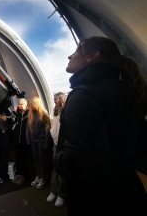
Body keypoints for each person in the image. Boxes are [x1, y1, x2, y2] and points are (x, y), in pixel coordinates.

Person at [54, 36, 147, 216]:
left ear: (91, 57)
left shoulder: (84, 94)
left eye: (75, 52)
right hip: (128, 191)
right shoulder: (125, 88)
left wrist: (58, 159)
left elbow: (76, 162)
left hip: (95, 198)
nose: (69, 57)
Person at [46, 92, 67, 207]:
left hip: (64, 143)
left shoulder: (66, 110)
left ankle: (61, 194)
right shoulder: (55, 111)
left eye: (56, 99)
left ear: (61, 99)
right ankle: (54, 191)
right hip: (56, 142)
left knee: (62, 169)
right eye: (53, 99)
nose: (54, 100)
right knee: (55, 167)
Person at [26, 96, 51, 189]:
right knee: (35, 158)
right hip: (34, 141)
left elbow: (47, 130)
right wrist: (28, 139)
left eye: (32, 104)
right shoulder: (31, 114)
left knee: (41, 159)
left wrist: (46, 143)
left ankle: (43, 178)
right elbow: (28, 128)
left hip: (41, 140)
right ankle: (38, 176)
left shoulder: (43, 114)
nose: (31, 105)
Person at [11, 98, 29, 185]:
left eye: (21, 104)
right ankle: (18, 174)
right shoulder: (17, 114)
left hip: (24, 140)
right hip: (17, 140)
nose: (19, 106)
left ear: (26, 105)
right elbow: (15, 124)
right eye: (19, 104)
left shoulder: (29, 114)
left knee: (23, 158)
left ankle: (22, 176)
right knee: (17, 158)